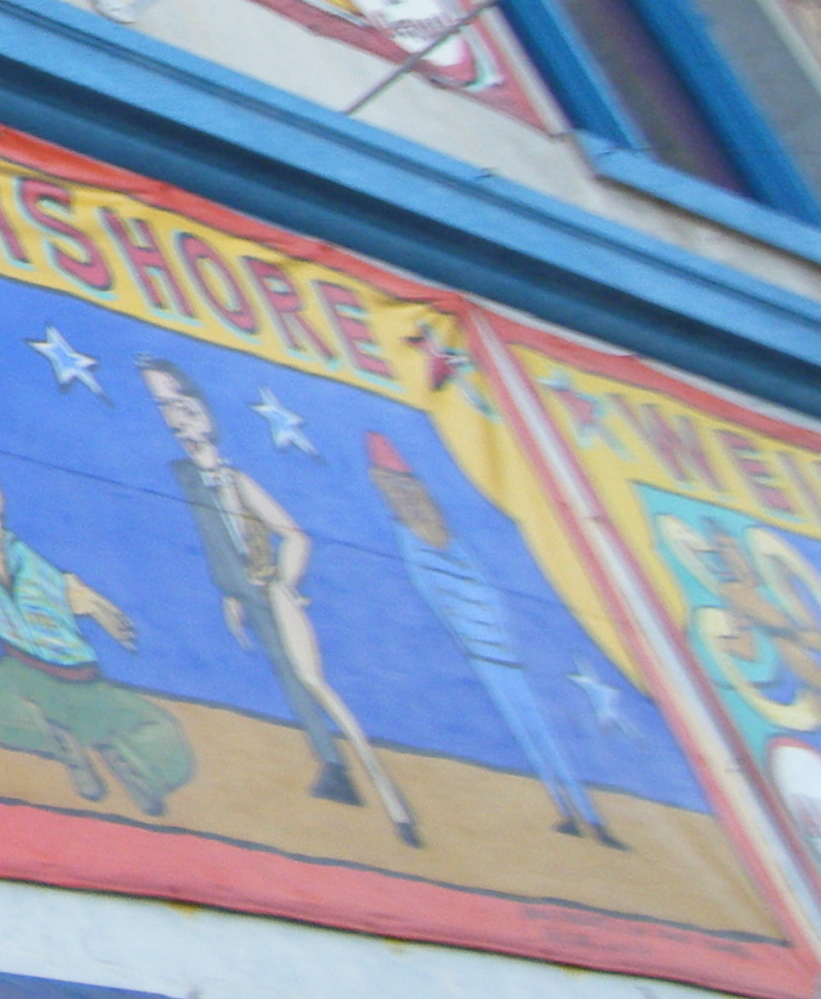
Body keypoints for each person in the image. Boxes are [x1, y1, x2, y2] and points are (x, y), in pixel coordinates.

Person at [146, 357, 420, 846]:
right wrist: (232, 593)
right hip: (249, 596)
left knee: (314, 683)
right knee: (292, 681)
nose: (177, 422)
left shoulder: (236, 481)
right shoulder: (190, 481)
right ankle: (335, 769)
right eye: (167, 411)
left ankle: (392, 799)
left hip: (273, 592)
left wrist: (284, 584)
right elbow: (217, 546)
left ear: (206, 415)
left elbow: (294, 535)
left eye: (185, 409)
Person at [0, 414, 190, 816]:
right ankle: (63, 745)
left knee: (165, 734)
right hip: (23, 674)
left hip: (83, 681)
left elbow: (74, 593)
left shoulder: (37, 567)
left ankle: (129, 761)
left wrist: (96, 606)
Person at [365, 433, 615, 845]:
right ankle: (568, 812)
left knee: (543, 735)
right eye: (395, 490)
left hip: (504, 654)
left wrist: (499, 636)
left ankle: (591, 818)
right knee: (527, 735)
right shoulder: (411, 542)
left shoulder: (448, 541)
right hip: (483, 656)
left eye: (408, 488)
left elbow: (483, 593)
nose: (406, 498)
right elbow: (439, 598)